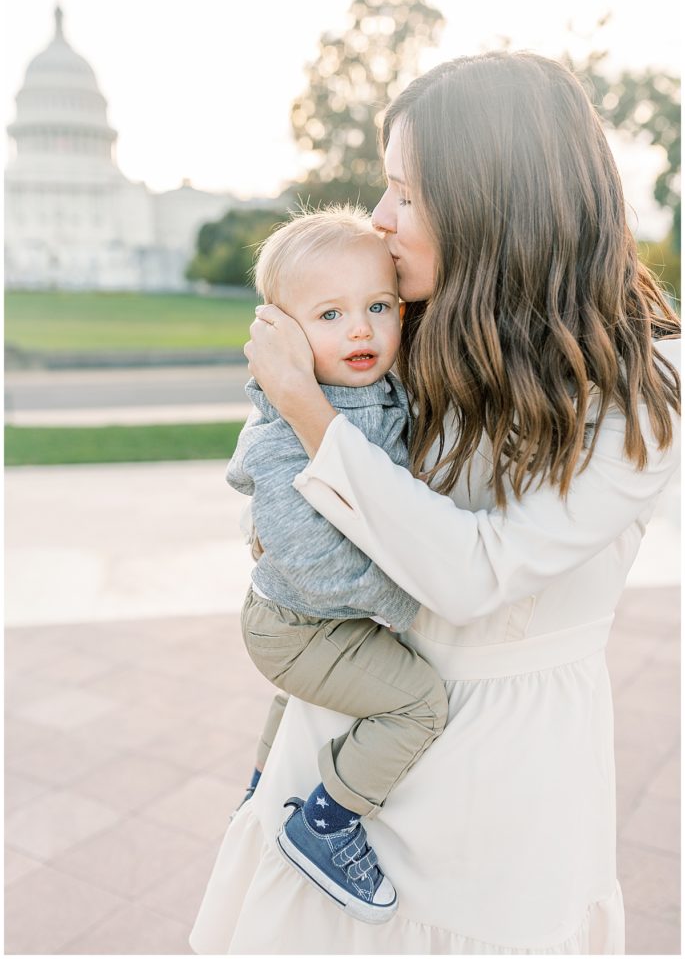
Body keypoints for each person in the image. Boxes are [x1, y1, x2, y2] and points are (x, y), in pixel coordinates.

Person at [190, 52, 680, 955]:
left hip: (503, 759)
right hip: (356, 719)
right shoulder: (414, 331)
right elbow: (289, 496)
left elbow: (474, 574)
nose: (376, 219)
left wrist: (304, 408)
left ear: (494, 204)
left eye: (404, 193)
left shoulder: (641, 389)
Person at [224, 206, 448, 922]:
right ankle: (325, 822)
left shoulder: (379, 390)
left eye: (378, 306)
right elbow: (321, 570)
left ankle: (261, 789)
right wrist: (418, 596)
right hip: (296, 626)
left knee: (299, 706)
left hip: (313, 620)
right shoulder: (282, 440)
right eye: (330, 314)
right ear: (281, 336)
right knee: (416, 701)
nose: (361, 329)